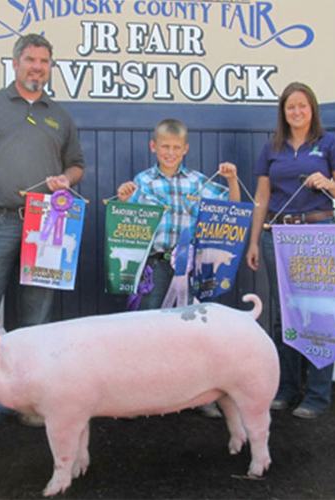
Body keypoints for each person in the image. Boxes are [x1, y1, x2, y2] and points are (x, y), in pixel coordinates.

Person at [0, 33, 85, 335]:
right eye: (30, 59)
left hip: (47, 223)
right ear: (15, 63)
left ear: (50, 67)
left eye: (44, 61)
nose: (37, 66)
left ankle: (29, 367)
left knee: (37, 317)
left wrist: (67, 179)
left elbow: (76, 165)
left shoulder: (60, 116)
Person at [117, 118, 240, 419]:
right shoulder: (143, 181)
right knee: (149, 325)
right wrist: (124, 200)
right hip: (156, 263)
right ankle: (146, 392)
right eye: (164, 147)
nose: (170, 153)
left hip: (192, 267)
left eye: (176, 147)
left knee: (195, 330)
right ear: (153, 147)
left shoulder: (198, 181)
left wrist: (233, 180)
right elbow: (128, 221)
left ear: (185, 149)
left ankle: (200, 395)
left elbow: (232, 208)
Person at [246, 81, 335, 419]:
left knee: (320, 315)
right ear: (283, 112)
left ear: (312, 109)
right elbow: (262, 197)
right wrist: (253, 240)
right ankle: (287, 389)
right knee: (284, 314)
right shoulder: (272, 148)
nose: (296, 112)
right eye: (290, 107)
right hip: (278, 235)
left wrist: (328, 183)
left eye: (302, 106)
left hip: (318, 234)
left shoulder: (331, 143)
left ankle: (318, 395)